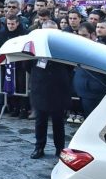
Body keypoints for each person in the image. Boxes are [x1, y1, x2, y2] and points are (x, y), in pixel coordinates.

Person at [28, 20, 74, 160]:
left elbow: (69, 66)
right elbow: (27, 64)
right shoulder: (34, 44)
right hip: (40, 86)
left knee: (58, 121)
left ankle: (60, 148)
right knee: (40, 120)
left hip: (58, 87)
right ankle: (39, 147)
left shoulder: (64, 46)